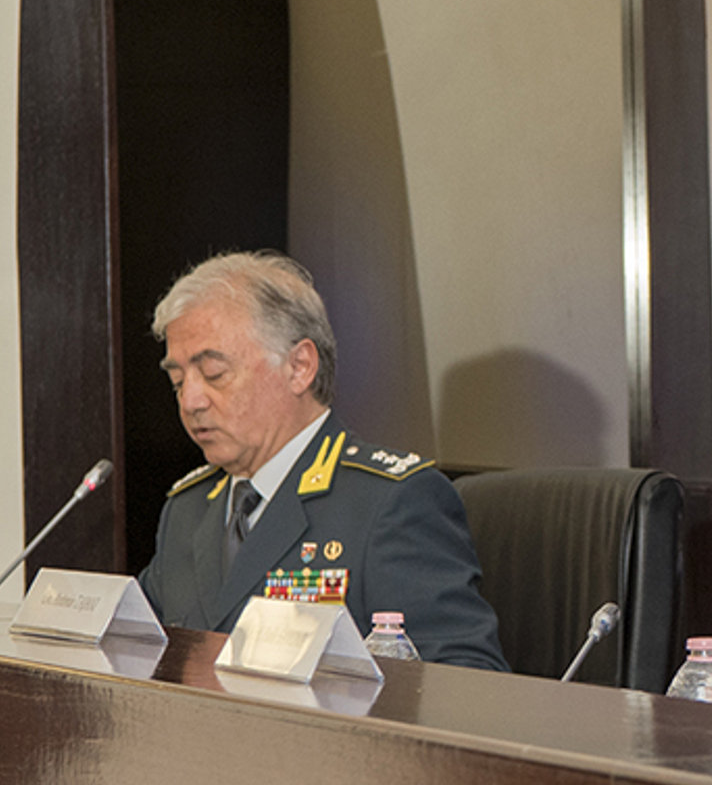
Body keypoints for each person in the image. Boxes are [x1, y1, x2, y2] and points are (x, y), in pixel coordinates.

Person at [137, 251, 507, 670]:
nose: (190, 401)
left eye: (214, 374)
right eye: (177, 381)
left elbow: (465, 675)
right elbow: (138, 652)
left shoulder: (389, 503)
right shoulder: (187, 509)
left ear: (299, 367)